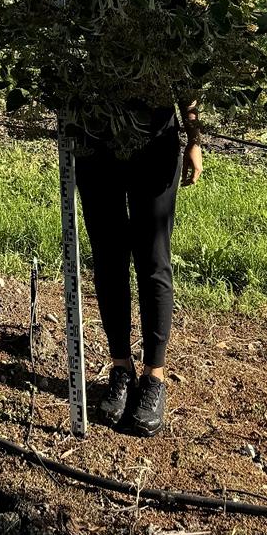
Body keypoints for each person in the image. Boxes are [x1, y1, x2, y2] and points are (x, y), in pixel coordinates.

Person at [74, 97, 202, 435]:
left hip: (155, 141)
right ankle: (121, 368)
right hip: (94, 142)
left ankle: (154, 375)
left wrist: (194, 138)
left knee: (153, 260)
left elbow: (183, 70)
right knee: (108, 257)